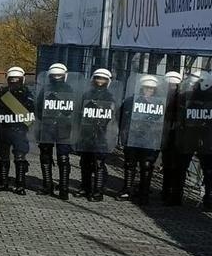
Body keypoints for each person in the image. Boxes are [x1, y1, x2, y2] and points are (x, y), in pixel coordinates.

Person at [118, 74, 165, 203]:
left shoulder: (159, 103)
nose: (148, 90)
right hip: (132, 137)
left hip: (149, 139)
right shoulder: (131, 101)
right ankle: (127, 189)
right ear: (142, 88)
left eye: (151, 88)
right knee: (129, 164)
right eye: (146, 88)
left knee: (147, 165)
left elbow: (161, 123)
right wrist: (124, 134)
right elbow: (122, 117)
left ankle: (144, 192)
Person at [36, 63, 78, 201]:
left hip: (54, 127)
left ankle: (52, 187)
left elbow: (38, 108)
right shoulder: (69, 90)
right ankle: (61, 188)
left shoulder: (63, 90)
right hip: (56, 127)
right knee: (59, 157)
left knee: (53, 156)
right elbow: (39, 108)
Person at [77, 67, 117, 201]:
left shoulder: (109, 97)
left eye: (103, 79)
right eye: (98, 78)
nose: (100, 81)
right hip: (86, 133)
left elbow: (112, 117)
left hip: (101, 134)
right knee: (85, 161)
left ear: (108, 81)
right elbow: (79, 113)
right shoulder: (87, 95)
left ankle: (98, 191)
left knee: (98, 163)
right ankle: (85, 187)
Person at [0, 66, 36, 195]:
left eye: (16, 79)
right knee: (5, 156)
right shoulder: (2, 92)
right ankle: (8, 182)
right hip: (8, 128)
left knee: (16, 157)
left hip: (15, 129)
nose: (14, 82)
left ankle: (17, 184)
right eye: (13, 79)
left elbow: (31, 111)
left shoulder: (26, 93)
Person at [160, 70, 190, 205]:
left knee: (178, 167)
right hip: (168, 134)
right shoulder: (161, 96)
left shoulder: (182, 99)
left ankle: (176, 193)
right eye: (170, 85)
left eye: (174, 85)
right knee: (167, 164)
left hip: (180, 136)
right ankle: (166, 191)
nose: (172, 87)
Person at [184, 71, 212, 210]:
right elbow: (189, 116)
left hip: (207, 140)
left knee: (209, 171)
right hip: (198, 139)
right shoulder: (195, 96)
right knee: (206, 170)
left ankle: (209, 197)